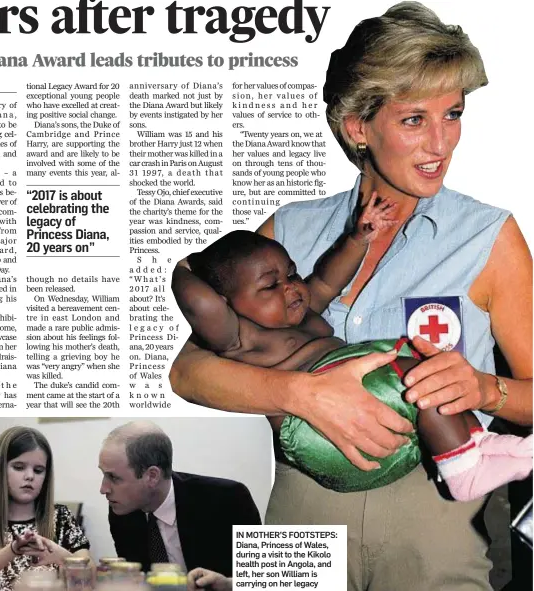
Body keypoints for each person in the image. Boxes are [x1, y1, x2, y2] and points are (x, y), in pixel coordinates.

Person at [169, 3, 532, 590]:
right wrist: (302, 395)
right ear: (358, 127)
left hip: (437, 515)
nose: (442, 142)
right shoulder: (287, 234)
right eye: (414, 119)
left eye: (453, 114)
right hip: (300, 511)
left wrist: (486, 388)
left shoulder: (491, 236)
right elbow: (188, 372)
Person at [172, 223, 532, 499]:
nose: (290, 287)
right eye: (270, 286)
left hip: (372, 422)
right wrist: (184, 269)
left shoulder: (305, 310)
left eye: (292, 274)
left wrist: (357, 240)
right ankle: (465, 471)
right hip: (316, 434)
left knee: (429, 366)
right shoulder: (239, 337)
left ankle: (475, 446)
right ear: (226, 302)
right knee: (415, 376)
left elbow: (328, 279)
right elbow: (199, 307)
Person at [98, 421, 261, 576]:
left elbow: (264, 578)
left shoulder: (229, 499)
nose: (103, 489)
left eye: (113, 477)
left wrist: (227, 584)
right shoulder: (122, 511)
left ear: (152, 476)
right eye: (104, 475)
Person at [0, 427, 90, 591]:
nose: (30, 476)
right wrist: (13, 550)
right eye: (19, 467)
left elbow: (89, 581)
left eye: (38, 470)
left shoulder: (62, 517)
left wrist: (60, 555)